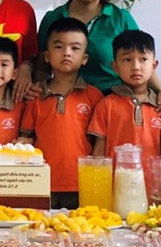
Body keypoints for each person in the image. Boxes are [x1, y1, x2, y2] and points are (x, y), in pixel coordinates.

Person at [17, 18, 104, 209]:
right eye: (59, 47)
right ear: (47, 56)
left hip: (81, 184)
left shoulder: (94, 96)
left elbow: (100, 144)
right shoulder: (35, 96)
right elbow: (26, 139)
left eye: (75, 48)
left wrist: (95, 178)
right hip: (41, 183)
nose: (66, 53)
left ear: (84, 58)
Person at [37, 0, 141, 94]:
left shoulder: (121, 19)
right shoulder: (53, 19)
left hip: (112, 102)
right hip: (64, 102)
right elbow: (41, 69)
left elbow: (142, 61)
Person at [89, 30, 161, 160]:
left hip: (154, 174)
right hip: (116, 174)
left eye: (143, 59)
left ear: (153, 66)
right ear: (115, 67)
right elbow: (98, 154)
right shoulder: (106, 105)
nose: (136, 67)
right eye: (127, 60)